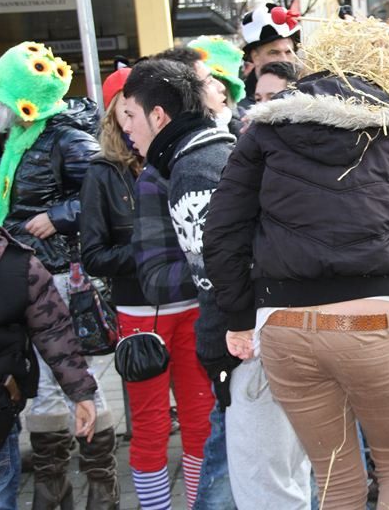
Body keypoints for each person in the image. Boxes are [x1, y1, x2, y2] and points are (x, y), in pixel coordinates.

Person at [202, 57, 389, 508]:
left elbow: (222, 231)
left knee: (335, 480)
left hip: (285, 326)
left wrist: (236, 316)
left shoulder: (264, 133)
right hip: (369, 323)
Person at [122, 58, 312, 509]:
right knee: (286, 477)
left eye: (129, 114)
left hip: (251, 349)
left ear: (158, 116)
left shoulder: (194, 168)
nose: (125, 128)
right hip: (267, 339)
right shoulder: (210, 153)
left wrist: (227, 342)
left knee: (265, 488)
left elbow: (221, 275)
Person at [80, 68, 215, 510]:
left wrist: (172, 255)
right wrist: (148, 253)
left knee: (200, 419)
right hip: (140, 317)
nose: (129, 124)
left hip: (193, 306)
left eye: (134, 113)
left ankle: (196, 502)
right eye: (123, 114)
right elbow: (94, 254)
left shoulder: (182, 157)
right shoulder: (103, 172)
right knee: (152, 425)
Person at [0, 42, 118, 509]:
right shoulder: (15, 140)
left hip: (60, 280)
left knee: (73, 378)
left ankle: (101, 487)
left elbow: (110, 185)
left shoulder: (65, 138)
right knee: (50, 384)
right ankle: (53, 486)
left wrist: (62, 213)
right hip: (24, 278)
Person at [0, 228, 97, 509]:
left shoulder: (18, 264)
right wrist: (81, 393)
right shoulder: (18, 262)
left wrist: (82, 393)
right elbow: (54, 331)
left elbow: (53, 330)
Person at [238, 4, 301, 115]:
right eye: (274, 52)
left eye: (288, 52)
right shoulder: (240, 108)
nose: (284, 59)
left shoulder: (312, 92)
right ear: (255, 57)